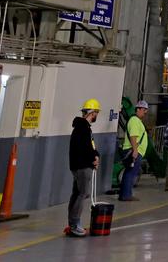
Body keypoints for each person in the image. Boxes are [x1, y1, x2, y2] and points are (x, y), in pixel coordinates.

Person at [66, 98, 100, 237]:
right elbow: (85, 148)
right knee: (82, 194)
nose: (97, 116)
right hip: (82, 166)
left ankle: (72, 223)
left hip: (78, 165)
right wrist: (93, 159)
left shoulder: (81, 128)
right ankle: (75, 224)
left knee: (77, 193)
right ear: (92, 113)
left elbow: (90, 146)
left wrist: (95, 154)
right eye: (96, 113)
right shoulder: (83, 129)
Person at [119, 100, 149, 201]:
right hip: (133, 151)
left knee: (129, 172)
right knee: (131, 173)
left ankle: (124, 194)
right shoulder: (135, 121)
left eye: (146, 110)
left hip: (134, 150)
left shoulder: (136, 121)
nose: (145, 112)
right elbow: (133, 136)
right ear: (138, 109)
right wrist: (135, 150)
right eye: (144, 109)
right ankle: (126, 195)